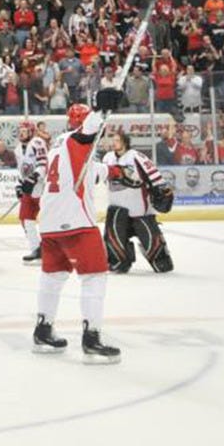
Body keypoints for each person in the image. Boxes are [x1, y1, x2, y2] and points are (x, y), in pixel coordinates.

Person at [31, 89, 124, 365]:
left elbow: (94, 170)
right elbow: (88, 133)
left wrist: (116, 171)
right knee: (95, 276)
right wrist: (100, 109)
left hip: (48, 221)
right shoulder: (78, 140)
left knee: (54, 275)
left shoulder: (58, 146)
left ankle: (43, 329)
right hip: (76, 221)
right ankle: (92, 337)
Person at [102, 131, 174, 274]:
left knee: (162, 264)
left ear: (125, 142)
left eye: (117, 139)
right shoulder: (107, 158)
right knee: (115, 249)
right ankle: (120, 261)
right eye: (113, 139)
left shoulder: (136, 156)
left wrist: (160, 188)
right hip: (117, 208)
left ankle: (160, 258)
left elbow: (153, 173)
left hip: (139, 210)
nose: (113, 142)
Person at [15, 122, 49, 263]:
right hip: (29, 189)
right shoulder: (17, 149)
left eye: (25, 131)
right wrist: (19, 184)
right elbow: (21, 170)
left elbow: (43, 164)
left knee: (48, 219)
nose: (22, 133)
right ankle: (36, 249)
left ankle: (51, 249)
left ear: (31, 132)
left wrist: (34, 178)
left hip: (42, 187)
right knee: (25, 218)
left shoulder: (37, 142)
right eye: (20, 130)